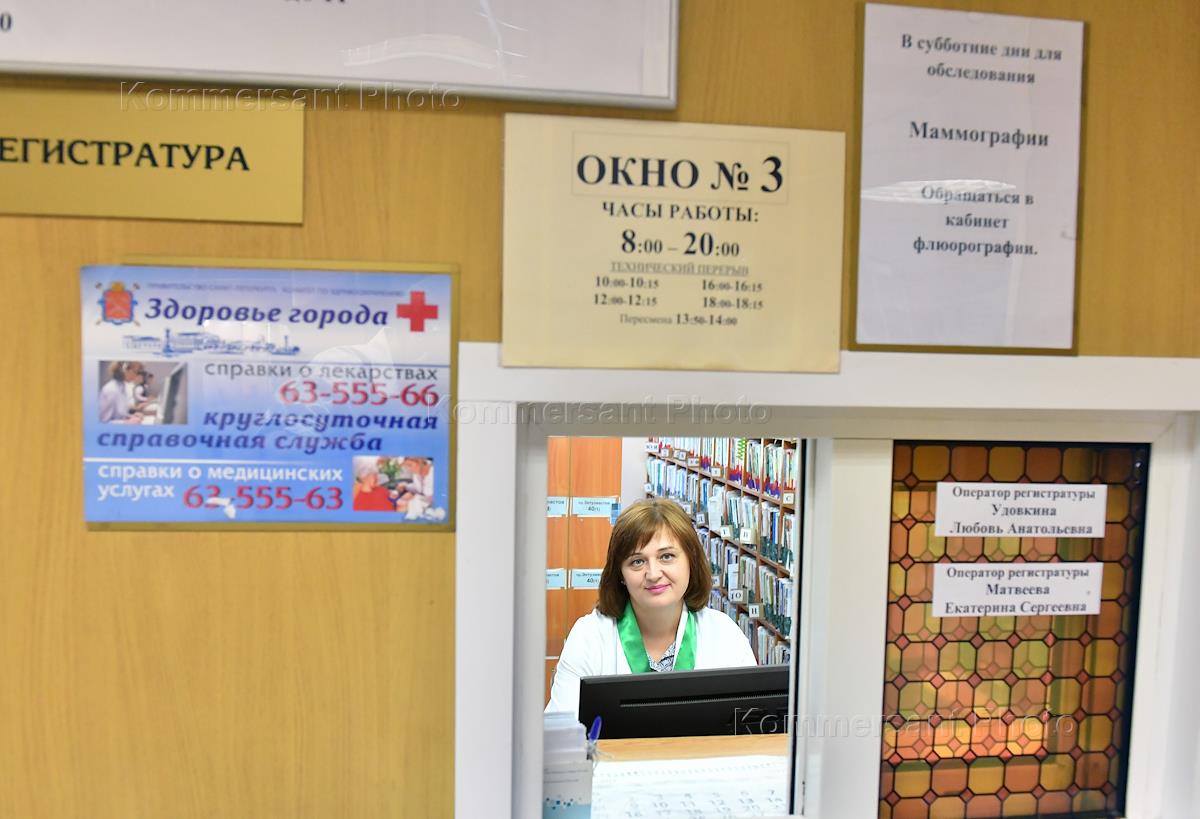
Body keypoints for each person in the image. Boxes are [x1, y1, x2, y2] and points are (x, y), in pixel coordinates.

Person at [545, 498, 756, 717]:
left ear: (691, 562)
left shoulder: (725, 635)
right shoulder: (589, 636)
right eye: (637, 561)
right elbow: (560, 728)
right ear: (621, 574)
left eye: (667, 557)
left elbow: (751, 725)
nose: (653, 574)